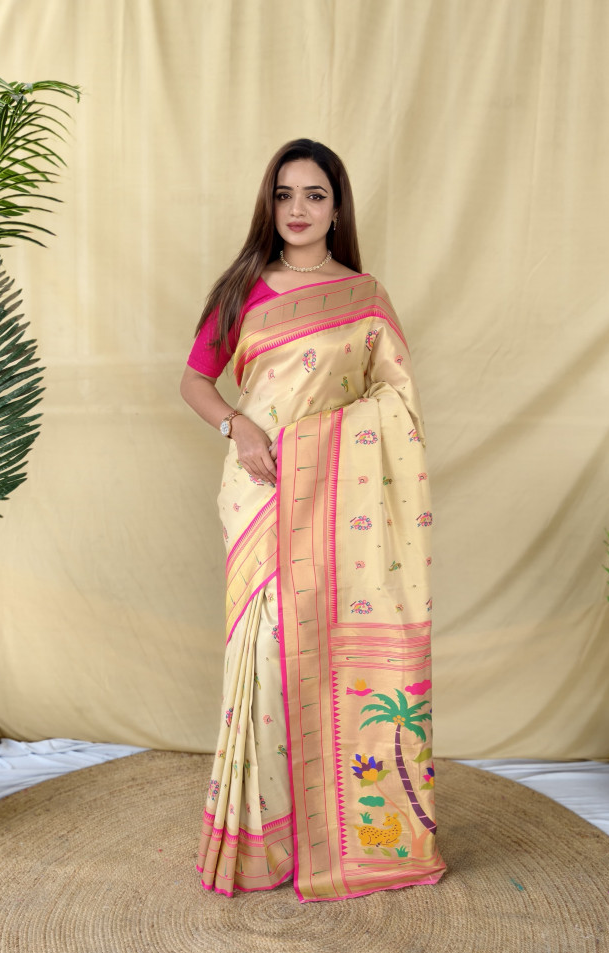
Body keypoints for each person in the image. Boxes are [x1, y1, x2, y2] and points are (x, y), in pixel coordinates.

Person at [180, 138, 445, 902]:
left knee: (329, 650)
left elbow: (397, 403)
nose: (297, 209)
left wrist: (320, 441)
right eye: (285, 194)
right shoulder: (242, 288)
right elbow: (195, 381)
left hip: (341, 499)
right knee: (265, 655)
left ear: (337, 208)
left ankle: (343, 837)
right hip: (258, 491)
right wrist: (237, 425)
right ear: (269, 205)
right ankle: (265, 844)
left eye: (315, 195)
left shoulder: (364, 297)